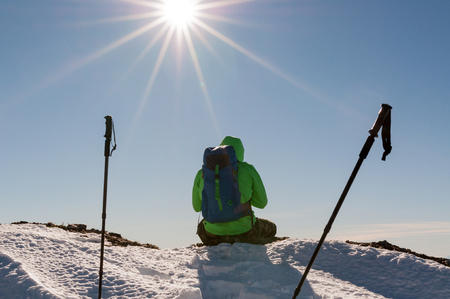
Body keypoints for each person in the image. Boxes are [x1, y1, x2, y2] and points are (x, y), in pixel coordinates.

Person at [192, 136, 277, 245]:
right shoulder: (248, 169)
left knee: (201, 227)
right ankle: (238, 238)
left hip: (211, 233)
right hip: (244, 230)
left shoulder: (202, 173)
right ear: (240, 152)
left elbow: (197, 207)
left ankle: (219, 239)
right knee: (272, 227)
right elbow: (262, 203)